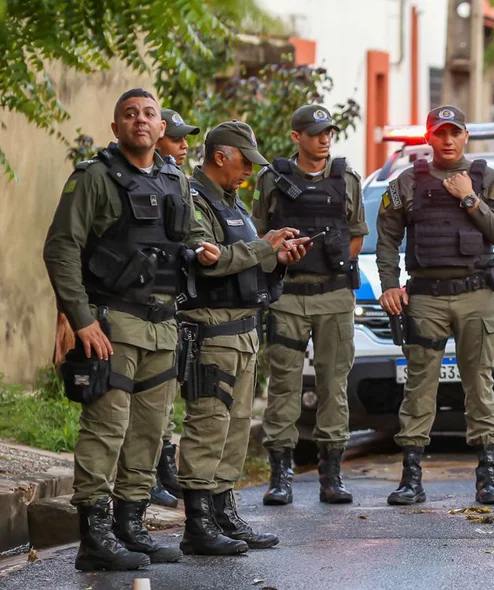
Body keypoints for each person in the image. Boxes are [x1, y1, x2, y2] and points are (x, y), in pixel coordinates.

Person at [43, 88, 221, 571]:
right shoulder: (94, 178)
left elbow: (184, 240)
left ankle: (130, 526)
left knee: (148, 433)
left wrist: (200, 251)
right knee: (106, 430)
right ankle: (94, 537)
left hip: (163, 328)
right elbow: (61, 249)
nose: (141, 121)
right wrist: (81, 319)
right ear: (116, 127)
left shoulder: (174, 179)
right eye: (130, 115)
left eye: (149, 114)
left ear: (162, 128)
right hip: (112, 324)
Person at [176, 120, 309, 556]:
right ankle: (197, 524)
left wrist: (277, 258)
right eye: (244, 161)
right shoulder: (195, 201)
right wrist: (264, 246)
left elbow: (245, 263)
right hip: (211, 333)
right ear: (220, 156)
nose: (249, 171)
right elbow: (209, 262)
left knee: (234, 430)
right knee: (208, 425)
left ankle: (224, 513)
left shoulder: (232, 203)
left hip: (244, 332)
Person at [375, 105, 494, 506]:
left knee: (480, 383)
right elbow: (386, 239)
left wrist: (470, 198)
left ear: (466, 135)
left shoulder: (488, 180)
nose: (448, 140)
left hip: (476, 295)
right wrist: (388, 285)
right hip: (425, 299)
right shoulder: (406, 183)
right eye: (440, 133)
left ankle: (487, 475)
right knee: (419, 385)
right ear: (428, 138)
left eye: (455, 132)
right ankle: (411, 476)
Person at [254, 105, 367, 506]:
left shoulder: (347, 179)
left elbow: (357, 235)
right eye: (316, 132)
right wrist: (280, 257)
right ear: (296, 136)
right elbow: (260, 236)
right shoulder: (273, 179)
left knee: (333, 384)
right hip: (287, 296)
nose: (325, 138)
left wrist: (334, 259)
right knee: (284, 385)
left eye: (329, 132)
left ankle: (330, 473)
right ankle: (280, 474)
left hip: (334, 297)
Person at [147, 108, 201, 509]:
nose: (184, 146)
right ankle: (149, 474)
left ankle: (164, 468)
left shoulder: (178, 179)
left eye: (185, 139)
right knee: (150, 398)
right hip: (142, 302)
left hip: (174, 300)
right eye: (177, 139)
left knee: (167, 394)